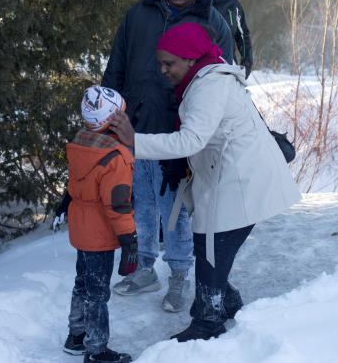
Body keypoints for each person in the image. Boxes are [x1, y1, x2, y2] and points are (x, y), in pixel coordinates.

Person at [109, 22, 300, 342]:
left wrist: (135, 142)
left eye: (169, 63)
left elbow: (191, 140)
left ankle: (208, 320)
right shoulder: (205, 77)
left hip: (241, 181)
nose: (163, 70)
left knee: (213, 250)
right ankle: (225, 302)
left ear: (189, 58)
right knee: (209, 246)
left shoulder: (209, 86)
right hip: (231, 177)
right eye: (160, 63)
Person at [101, 0, 234, 310]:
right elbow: (116, 66)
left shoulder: (212, 21)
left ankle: (178, 274)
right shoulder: (139, 14)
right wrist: (109, 110)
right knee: (140, 201)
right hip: (135, 123)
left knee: (173, 207)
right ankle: (145, 266)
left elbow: (225, 77)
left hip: (179, 132)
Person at [62, 86, 136, 363]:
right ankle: (96, 350)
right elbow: (118, 205)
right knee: (97, 292)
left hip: (80, 227)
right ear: (114, 119)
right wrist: (129, 239)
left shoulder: (80, 143)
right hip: (100, 234)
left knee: (82, 282)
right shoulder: (115, 158)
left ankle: (76, 335)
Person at [202, 0, 254, 78]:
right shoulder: (194, 2)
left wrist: (246, 65)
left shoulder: (231, 3)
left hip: (227, 68)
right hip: (200, 71)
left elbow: (243, 36)